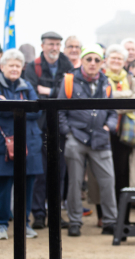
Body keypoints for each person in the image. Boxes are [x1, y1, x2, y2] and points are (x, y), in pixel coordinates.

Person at [58, 44, 118, 237]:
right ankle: (75, 221)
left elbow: (113, 111)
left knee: (108, 180)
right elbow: (59, 110)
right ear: (82, 60)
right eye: (89, 59)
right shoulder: (69, 80)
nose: (93, 63)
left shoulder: (107, 82)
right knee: (74, 183)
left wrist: (109, 126)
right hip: (76, 136)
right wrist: (67, 132)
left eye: (97, 60)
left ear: (102, 63)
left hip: (101, 138)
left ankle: (110, 221)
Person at [23, 31, 74, 230]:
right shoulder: (32, 67)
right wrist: (54, 92)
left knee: (59, 171)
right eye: (51, 44)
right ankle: (38, 214)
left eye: (57, 44)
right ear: (42, 45)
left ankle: (55, 213)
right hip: (39, 127)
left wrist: (50, 91)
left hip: (60, 125)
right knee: (40, 171)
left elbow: (67, 93)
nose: (54, 48)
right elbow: (32, 93)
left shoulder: (67, 66)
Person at [0, 49, 42, 240]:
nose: (15, 69)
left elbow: (36, 111)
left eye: (18, 65)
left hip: (30, 143)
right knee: (4, 186)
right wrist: (20, 106)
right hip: (4, 144)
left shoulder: (27, 85)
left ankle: (24, 223)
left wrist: (7, 104)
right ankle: (2, 225)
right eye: (11, 65)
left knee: (27, 184)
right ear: (2, 67)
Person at [103, 44, 135, 196]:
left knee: (124, 171)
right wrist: (126, 96)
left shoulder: (130, 79)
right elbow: (103, 100)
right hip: (106, 128)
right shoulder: (101, 78)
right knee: (105, 171)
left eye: (120, 58)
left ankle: (123, 214)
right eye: (113, 57)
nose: (116, 61)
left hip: (127, 131)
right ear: (106, 60)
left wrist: (114, 99)